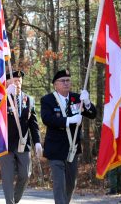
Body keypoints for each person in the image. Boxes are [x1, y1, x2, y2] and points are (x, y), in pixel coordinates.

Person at [41, 69, 96, 204]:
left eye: (68, 80)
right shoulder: (48, 100)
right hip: (55, 149)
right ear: (55, 84)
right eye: (62, 81)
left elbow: (93, 114)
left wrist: (87, 102)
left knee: (71, 184)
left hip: (72, 149)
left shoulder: (77, 99)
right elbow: (47, 119)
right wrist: (69, 120)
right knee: (59, 184)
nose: (66, 83)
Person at [0, 71, 42, 204]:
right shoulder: (0, 98)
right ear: (7, 83)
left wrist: (37, 142)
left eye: (19, 80)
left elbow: (33, 124)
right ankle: (9, 202)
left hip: (23, 144)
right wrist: (5, 94)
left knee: (25, 175)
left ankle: (14, 199)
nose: (17, 83)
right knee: (8, 177)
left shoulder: (29, 100)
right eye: (13, 81)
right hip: (5, 144)